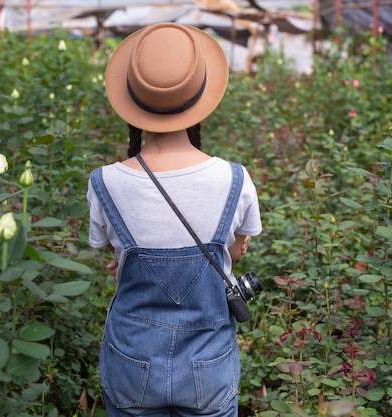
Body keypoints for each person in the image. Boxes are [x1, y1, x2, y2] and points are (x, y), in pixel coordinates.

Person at [86, 22, 262, 417]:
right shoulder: (234, 179)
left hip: (132, 362)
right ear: (200, 96)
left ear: (132, 100)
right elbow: (236, 246)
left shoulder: (105, 182)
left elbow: (109, 250)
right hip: (208, 365)